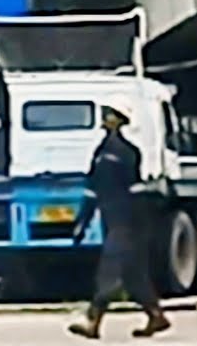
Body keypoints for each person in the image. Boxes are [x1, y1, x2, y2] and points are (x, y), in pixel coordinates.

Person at [68, 103, 169, 340]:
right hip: (111, 218)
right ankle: (156, 315)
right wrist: (82, 221)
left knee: (110, 268)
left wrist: (137, 224)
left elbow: (133, 190)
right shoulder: (100, 150)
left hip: (128, 221)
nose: (104, 119)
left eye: (109, 115)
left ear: (119, 121)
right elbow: (92, 190)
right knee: (134, 274)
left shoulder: (127, 152)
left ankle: (93, 320)